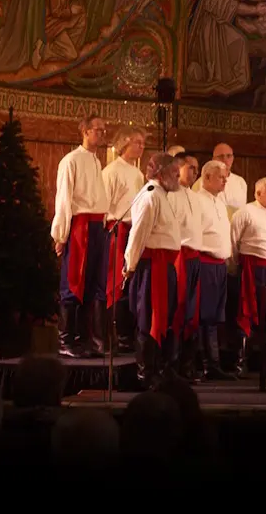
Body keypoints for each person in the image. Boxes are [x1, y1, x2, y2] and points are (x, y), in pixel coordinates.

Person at [52, 115, 111, 359]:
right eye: (97, 129)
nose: (101, 134)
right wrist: (61, 234)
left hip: (98, 226)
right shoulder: (70, 161)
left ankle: (89, 340)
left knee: (93, 284)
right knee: (73, 281)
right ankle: (66, 340)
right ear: (85, 132)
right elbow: (64, 199)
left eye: (103, 130)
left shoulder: (97, 162)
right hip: (81, 226)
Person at [122, 153, 182, 389]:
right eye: (174, 170)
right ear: (159, 172)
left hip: (165, 265)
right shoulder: (149, 196)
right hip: (151, 267)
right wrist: (130, 264)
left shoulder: (161, 194)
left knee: (164, 317)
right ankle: (145, 373)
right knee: (149, 319)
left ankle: (160, 368)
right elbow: (138, 234)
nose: (178, 174)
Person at [231, 177, 266, 376]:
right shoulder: (245, 213)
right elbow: (233, 242)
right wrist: (235, 268)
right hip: (252, 268)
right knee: (249, 310)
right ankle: (241, 363)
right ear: (257, 194)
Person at [102, 126, 145, 352]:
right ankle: (112, 336)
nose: (141, 146)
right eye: (137, 141)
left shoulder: (138, 174)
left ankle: (127, 335)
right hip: (117, 229)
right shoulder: (111, 172)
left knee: (130, 283)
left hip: (133, 230)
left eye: (142, 142)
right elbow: (104, 205)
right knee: (114, 280)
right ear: (124, 144)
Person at [192, 160, 233, 380]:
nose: (225, 181)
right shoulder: (197, 200)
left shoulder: (219, 201)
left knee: (215, 316)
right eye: (221, 177)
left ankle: (214, 365)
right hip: (205, 263)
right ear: (206, 177)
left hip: (219, 265)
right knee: (203, 316)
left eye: (226, 177)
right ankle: (202, 364)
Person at [169, 152, 205, 381]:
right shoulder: (171, 195)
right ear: (178, 168)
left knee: (192, 313)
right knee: (178, 310)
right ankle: (172, 366)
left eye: (196, 168)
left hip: (195, 257)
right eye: (190, 167)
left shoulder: (196, 196)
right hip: (179, 256)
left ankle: (187, 365)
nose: (194, 172)